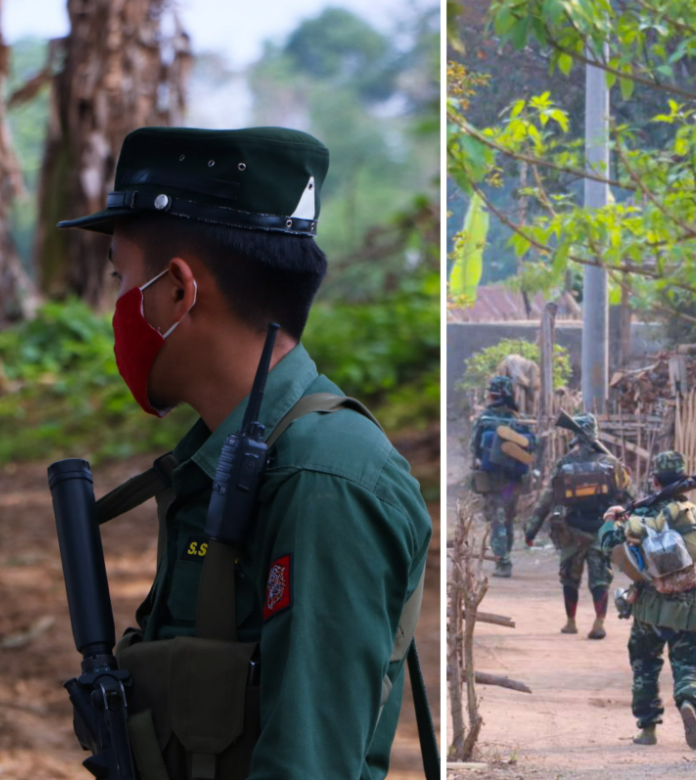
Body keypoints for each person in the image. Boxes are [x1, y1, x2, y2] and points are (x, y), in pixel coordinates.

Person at [56, 126, 434, 779]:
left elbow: (305, 764)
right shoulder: (221, 457)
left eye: (122, 277)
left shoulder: (321, 477)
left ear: (178, 290)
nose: (115, 308)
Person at [600, 451, 696, 750]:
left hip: (649, 608)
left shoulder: (640, 516)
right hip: (690, 608)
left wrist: (611, 519)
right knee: (688, 664)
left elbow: (608, 546)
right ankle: (687, 701)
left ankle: (647, 729)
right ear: (685, 482)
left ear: (656, 481)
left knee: (645, 665)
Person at [524, 413, 632, 638]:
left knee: (570, 578)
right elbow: (628, 496)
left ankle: (571, 622)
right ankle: (599, 622)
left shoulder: (565, 463)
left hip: (572, 530)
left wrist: (531, 530)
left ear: (575, 436)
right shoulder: (610, 463)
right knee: (600, 578)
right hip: (602, 529)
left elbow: (547, 499)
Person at [470, 375, 525, 577]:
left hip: (492, 481)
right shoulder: (518, 420)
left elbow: (474, 449)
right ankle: (506, 557)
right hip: (513, 482)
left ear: (491, 395)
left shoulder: (484, 419)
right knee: (508, 519)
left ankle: (503, 563)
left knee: (497, 521)